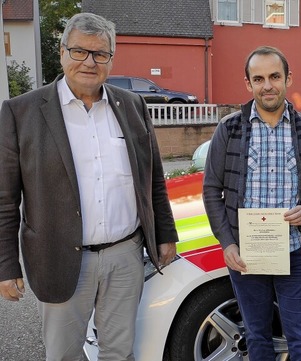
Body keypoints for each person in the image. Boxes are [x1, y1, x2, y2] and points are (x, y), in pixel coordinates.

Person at [0, 12, 178, 361]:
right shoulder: (21, 112)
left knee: (119, 352)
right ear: (63, 52)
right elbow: (5, 199)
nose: (89, 62)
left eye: (100, 54)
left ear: (111, 59)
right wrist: (6, 266)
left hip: (125, 255)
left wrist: (165, 233)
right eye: (80, 51)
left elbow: (153, 177)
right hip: (60, 258)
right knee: (64, 355)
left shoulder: (132, 105)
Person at [202, 46, 301, 360]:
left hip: (296, 254)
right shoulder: (229, 129)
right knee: (257, 337)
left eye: (274, 76)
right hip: (248, 255)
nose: (267, 85)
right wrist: (228, 243)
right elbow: (211, 190)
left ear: (288, 78)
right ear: (248, 84)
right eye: (258, 79)